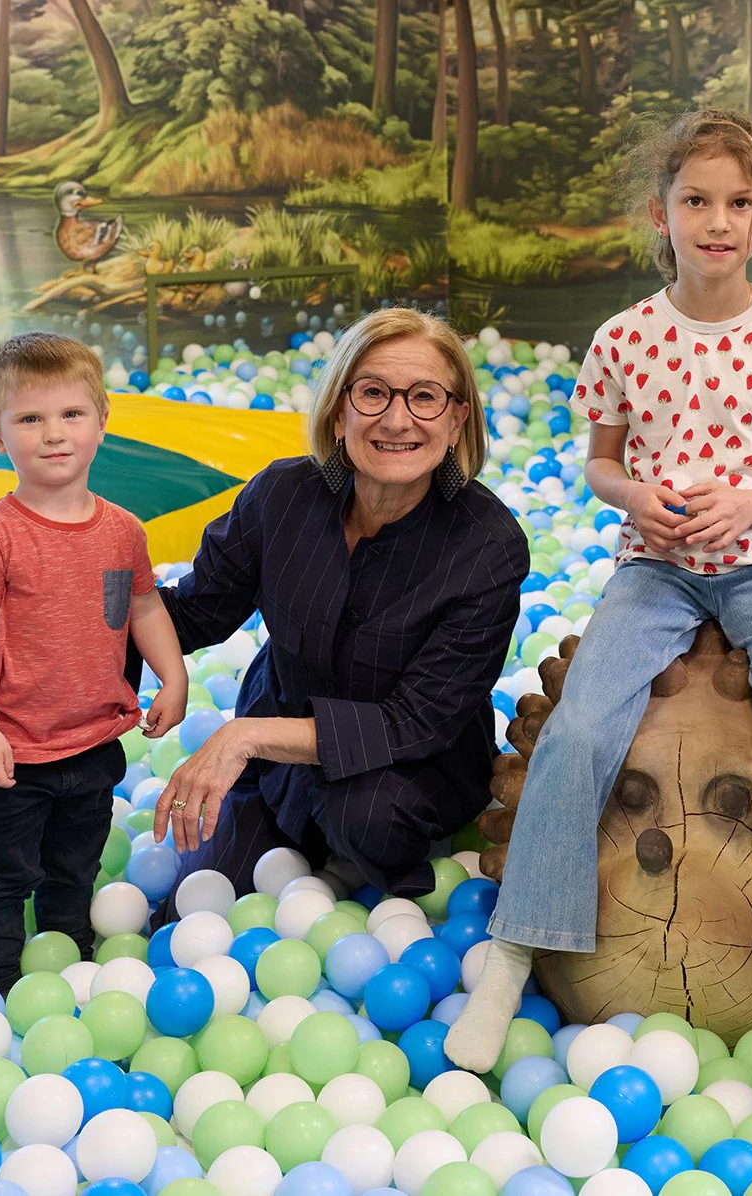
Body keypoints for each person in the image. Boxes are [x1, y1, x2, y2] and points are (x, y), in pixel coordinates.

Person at [445, 110, 752, 1076]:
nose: (715, 221)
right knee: (585, 725)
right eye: (695, 201)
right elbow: (599, 463)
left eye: (736, 204)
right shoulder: (625, 338)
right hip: (656, 566)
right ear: (661, 212)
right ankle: (515, 953)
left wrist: (750, 506)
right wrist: (641, 496)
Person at [141, 307, 528, 907]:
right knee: (193, 907)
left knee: (367, 818)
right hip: (274, 760)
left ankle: (357, 865)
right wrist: (87, 592)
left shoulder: (488, 544)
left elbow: (416, 722)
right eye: (373, 392)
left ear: (456, 421)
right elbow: (195, 611)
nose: (397, 419)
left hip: (408, 768)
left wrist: (242, 737)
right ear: (339, 408)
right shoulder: (282, 495)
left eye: (424, 397)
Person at [0, 332, 189, 995]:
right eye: (30, 419)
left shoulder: (122, 531)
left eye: (70, 415)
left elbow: (143, 609)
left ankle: (69, 959)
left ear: (102, 421)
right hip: (15, 753)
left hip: (91, 743)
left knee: (74, 868)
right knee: (3, 875)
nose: (53, 435)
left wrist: (175, 676)